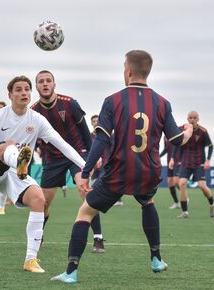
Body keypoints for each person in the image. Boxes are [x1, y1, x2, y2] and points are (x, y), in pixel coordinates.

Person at [51, 50, 193, 283]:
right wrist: (188, 130)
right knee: (147, 201)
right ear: (148, 71)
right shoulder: (162, 102)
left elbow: (102, 140)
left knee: (85, 212)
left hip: (118, 172)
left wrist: (86, 172)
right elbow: (177, 140)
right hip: (149, 171)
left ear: (128, 71)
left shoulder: (112, 100)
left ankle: (71, 272)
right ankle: (156, 259)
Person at [0, 75, 86, 273]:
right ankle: (18, 159)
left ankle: (30, 260)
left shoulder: (37, 120)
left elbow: (63, 145)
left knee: (39, 199)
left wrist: (85, 166)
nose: (24, 92)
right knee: (6, 146)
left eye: (27, 89)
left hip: (15, 173)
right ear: (10, 95)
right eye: (18, 89)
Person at [31, 70, 105, 253]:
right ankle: (38, 236)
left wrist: (93, 157)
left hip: (77, 155)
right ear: (37, 86)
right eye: (41, 81)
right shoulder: (33, 111)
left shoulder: (70, 103)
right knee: (43, 202)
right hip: (52, 159)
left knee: (85, 190)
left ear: (54, 84)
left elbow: (86, 132)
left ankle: (98, 238)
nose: (45, 84)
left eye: (49, 81)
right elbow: (30, 139)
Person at [177, 111, 214, 219]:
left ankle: (212, 204)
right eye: (190, 117)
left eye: (194, 118)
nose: (192, 119)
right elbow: (177, 144)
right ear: (187, 118)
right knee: (182, 184)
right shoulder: (182, 130)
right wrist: (173, 159)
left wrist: (208, 160)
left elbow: (211, 146)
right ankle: (185, 212)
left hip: (199, 163)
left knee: (202, 186)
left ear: (198, 119)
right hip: (185, 162)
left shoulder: (203, 131)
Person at [90, 114, 123, 206]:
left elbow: (114, 147)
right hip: (94, 163)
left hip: (106, 162)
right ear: (91, 123)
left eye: (97, 121)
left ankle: (117, 200)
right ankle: (98, 200)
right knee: (94, 181)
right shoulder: (90, 136)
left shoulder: (108, 135)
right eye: (94, 121)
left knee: (104, 181)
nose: (95, 122)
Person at [159, 136, 181, 209]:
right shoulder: (165, 137)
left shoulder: (176, 135)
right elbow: (166, 149)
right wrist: (159, 156)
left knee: (176, 181)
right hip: (170, 163)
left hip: (178, 161)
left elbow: (181, 147)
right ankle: (176, 202)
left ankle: (184, 197)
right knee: (170, 182)